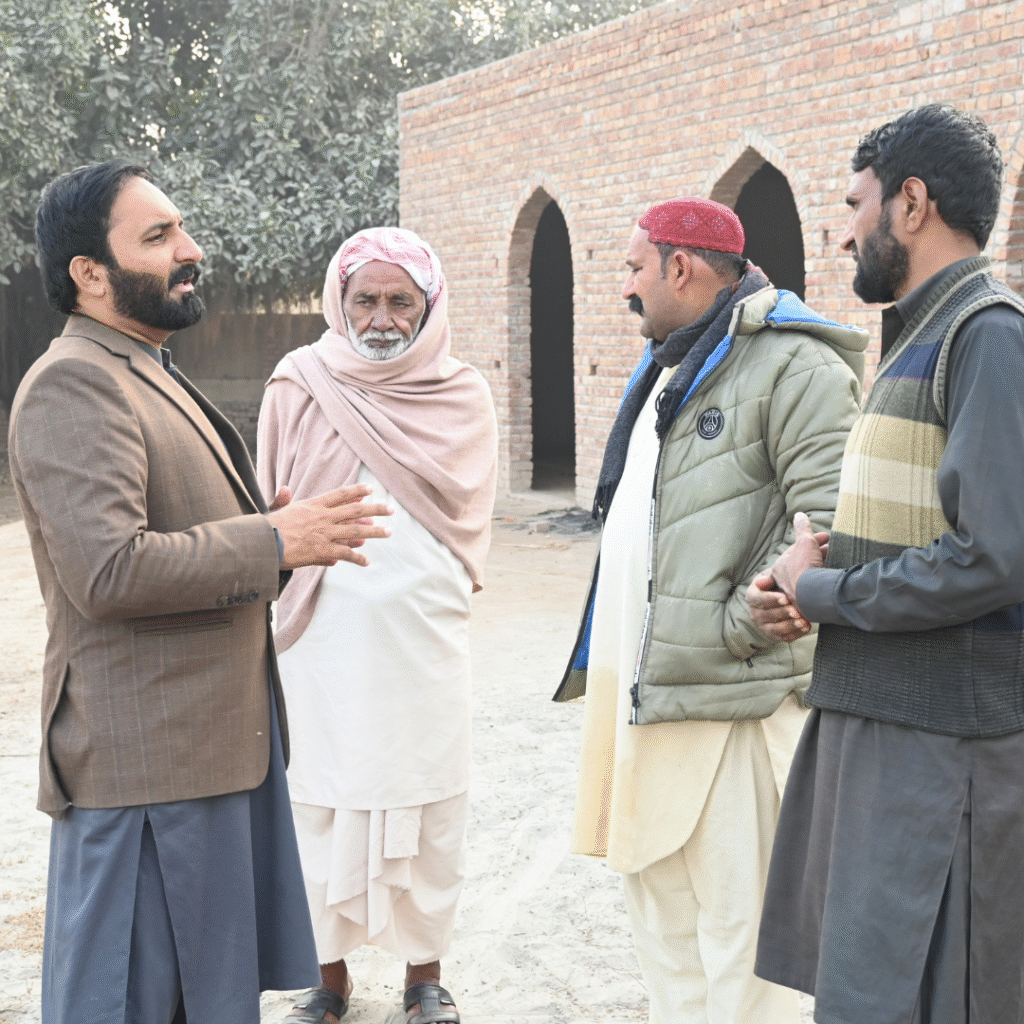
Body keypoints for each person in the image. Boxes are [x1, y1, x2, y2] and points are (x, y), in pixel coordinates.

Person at [9, 158, 394, 1024]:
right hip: (146, 775)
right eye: (159, 236)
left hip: (205, 757)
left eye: (181, 228)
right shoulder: (75, 381)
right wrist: (271, 539)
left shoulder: (144, 365)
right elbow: (108, 571)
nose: (191, 249)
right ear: (89, 272)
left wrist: (278, 540)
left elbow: (177, 536)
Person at [553, 196, 867, 1024]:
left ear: (680, 267)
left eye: (633, 268)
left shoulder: (797, 366)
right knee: (664, 929)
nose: (625, 286)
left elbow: (828, 529)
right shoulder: (671, 364)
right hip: (653, 694)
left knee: (746, 941)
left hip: (736, 703)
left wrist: (742, 619)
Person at [749, 105, 1024, 1023]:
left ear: (911, 203)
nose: (842, 231)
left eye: (854, 204)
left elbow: (993, 558)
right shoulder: (923, 334)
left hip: (943, 751)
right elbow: (919, 525)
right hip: (886, 728)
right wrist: (803, 576)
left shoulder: (988, 335)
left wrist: (826, 591)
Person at [257, 227, 497, 1024]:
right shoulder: (297, 383)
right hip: (319, 634)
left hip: (424, 637)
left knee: (430, 800)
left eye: (401, 300)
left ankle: (425, 977)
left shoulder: (463, 392)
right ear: (341, 300)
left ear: (429, 306)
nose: (383, 317)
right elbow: (271, 508)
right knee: (319, 802)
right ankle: (326, 980)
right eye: (366, 299)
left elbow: (468, 514)